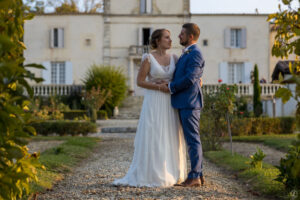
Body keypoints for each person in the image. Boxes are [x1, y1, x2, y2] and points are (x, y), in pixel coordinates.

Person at [113, 29, 187, 187]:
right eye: (167, 37)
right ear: (158, 41)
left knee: (170, 134)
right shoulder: (148, 58)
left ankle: (172, 171)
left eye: (170, 37)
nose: (170, 40)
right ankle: (153, 173)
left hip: (170, 102)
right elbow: (139, 82)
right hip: (154, 100)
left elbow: (182, 77)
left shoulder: (175, 57)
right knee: (154, 134)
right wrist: (157, 86)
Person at [160, 23, 205, 187]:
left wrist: (171, 87)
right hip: (184, 102)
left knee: (193, 140)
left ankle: (194, 177)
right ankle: (198, 174)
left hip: (190, 103)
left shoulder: (195, 54)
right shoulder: (187, 53)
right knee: (191, 139)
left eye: (182, 34)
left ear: (190, 36)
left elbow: (190, 78)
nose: (179, 36)